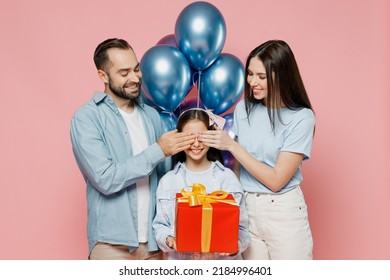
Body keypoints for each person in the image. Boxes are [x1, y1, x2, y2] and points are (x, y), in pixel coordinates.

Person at [70, 38, 195, 260]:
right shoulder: (87, 118)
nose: (135, 78)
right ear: (103, 76)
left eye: (136, 69)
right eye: (124, 72)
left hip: (155, 244)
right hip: (111, 244)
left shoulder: (151, 115)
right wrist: (158, 150)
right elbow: (106, 179)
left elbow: (165, 179)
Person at [199, 40, 315, 260]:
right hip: (248, 207)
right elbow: (240, 169)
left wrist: (231, 145)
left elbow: (276, 180)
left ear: (282, 76)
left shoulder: (302, 118)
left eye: (261, 77)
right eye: (250, 74)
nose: (252, 82)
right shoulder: (244, 108)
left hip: (283, 211)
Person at [153, 109, 250, 260]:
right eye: (190, 138)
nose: (196, 144)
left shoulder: (227, 178)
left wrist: (236, 245)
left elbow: (242, 229)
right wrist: (169, 240)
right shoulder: (168, 181)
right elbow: (160, 226)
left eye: (202, 137)